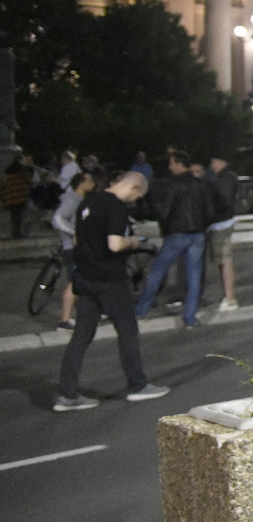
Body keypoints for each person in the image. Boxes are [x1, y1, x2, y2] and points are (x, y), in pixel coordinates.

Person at [55, 170, 169, 411]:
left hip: (85, 277)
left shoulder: (88, 202)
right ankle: (137, 385)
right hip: (110, 279)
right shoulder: (116, 207)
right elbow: (115, 244)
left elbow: (77, 240)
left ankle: (67, 394)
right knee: (127, 330)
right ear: (134, 188)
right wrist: (133, 242)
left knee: (81, 335)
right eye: (137, 197)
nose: (134, 201)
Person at [134, 151, 217, 328]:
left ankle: (142, 308)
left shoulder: (173, 185)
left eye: (172, 163)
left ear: (180, 164)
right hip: (197, 232)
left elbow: (164, 212)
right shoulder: (202, 185)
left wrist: (165, 231)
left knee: (157, 270)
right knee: (194, 274)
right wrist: (202, 226)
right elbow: (210, 211)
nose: (170, 167)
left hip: (177, 232)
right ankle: (190, 316)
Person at [50, 172, 96, 330]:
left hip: (79, 247)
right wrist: (75, 232)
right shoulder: (73, 199)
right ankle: (64, 320)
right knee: (74, 282)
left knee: (82, 280)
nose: (93, 183)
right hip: (73, 248)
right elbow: (57, 219)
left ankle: (93, 311)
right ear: (81, 183)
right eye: (90, 180)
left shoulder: (80, 199)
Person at [207, 156, 241, 310]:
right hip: (222, 221)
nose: (212, 164)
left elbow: (224, 201)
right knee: (222, 260)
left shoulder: (225, 178)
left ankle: (230, 297)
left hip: (222, 222)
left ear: (222, 162)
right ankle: (228, 296)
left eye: (214, 161)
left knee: (225, 259)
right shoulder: (225, 177)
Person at [4, 155, 34, 238]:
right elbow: (29, 181)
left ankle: (15, 232)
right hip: (20, 195)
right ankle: (18, 232)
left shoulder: (9, 171)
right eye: (23, 160)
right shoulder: (23, 171)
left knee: (14, 215)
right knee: (19, 215)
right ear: (19, 160)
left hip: (11, 196)